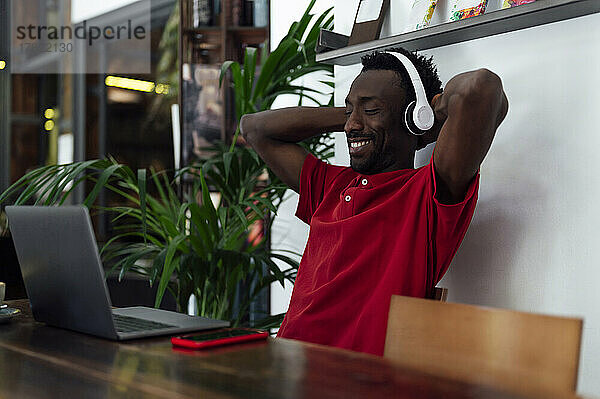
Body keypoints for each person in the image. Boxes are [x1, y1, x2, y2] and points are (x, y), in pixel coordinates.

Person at [240, 48, 509, 356]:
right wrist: (354, 115)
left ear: (413, 118)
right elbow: (254, 128)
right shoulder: (332, 185)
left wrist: (427, 110)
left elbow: (481, 89)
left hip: (357, 380)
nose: (351, 126)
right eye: (349, 111)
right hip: (287, 366)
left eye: (371, 110)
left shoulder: (428, 193)